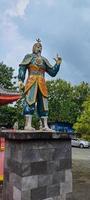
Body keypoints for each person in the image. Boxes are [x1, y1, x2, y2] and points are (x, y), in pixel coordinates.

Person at [18, 39, 62, 131]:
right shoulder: (28, 57)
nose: (39, 48)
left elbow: (52, 72)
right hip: (31, 82)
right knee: (30, 102)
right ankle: (28, 125)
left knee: (44, 104)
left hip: (42, 83)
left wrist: (57, 63)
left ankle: (45, 126)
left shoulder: (44, 60)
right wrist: (20, 80)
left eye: (40, 47)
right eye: (37, 47)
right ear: (33, 48)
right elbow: (22, 68)